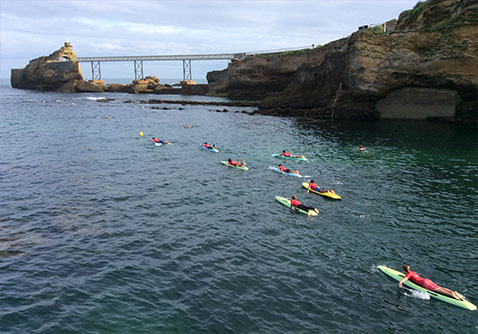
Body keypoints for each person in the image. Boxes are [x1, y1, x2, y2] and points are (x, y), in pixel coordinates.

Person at [398, 265, 463, 300]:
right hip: (427, 280)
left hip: (424, 283)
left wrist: (400, 282)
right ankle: (452, 292)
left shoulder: (408, 274)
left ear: (404, 270)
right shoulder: (412, 272)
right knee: (439, 287)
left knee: (437, 290)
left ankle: (451, 294)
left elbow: (406, 278)